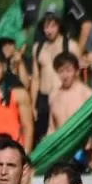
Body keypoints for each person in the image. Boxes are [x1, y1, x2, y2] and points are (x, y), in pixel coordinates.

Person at [31, 11, 82, 140]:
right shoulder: (38, 47)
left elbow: (78, 76)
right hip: (43, 98)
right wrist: (33, 104)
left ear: (59, 26)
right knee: (42, 137)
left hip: (62, 95)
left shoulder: (71, 46)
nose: (49, 30)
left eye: (53, 26)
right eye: (46, 27)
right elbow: (36, 78)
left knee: (64, 133)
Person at [48, 52, 92, 135]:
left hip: (80, 142)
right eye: (61, 71)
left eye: (69, 71)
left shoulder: (86, 93)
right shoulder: (53, 95)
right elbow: (51, 127)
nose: (65, 75)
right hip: (60, 143)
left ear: (76, 72)